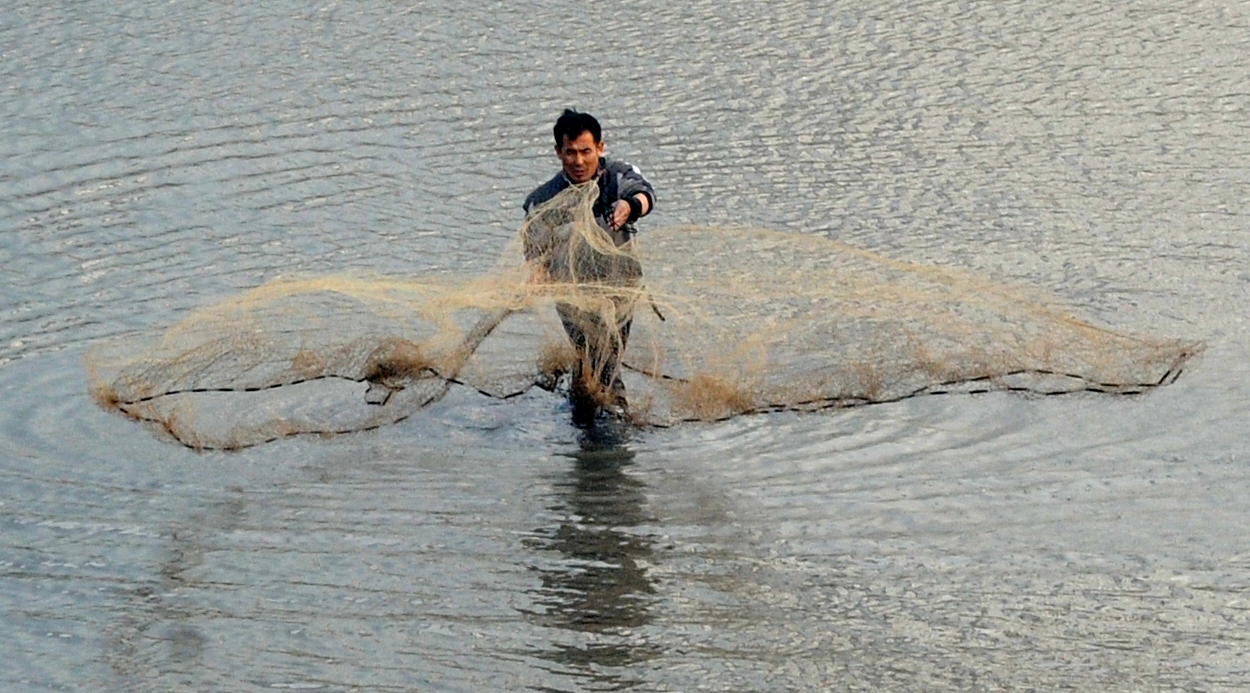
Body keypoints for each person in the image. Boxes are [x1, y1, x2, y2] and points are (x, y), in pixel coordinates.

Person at [523, 109, 655, 422]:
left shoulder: (618, 176)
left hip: (620, 285)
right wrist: (537, 273)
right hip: (571, 293)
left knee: (608, 353)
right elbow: (535, 250)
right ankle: (615, 418)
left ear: (600, 148)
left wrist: (628, 206)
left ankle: (583, 409)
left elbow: (645, 195)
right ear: (558, 153)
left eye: (586, 151)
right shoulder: (542, 199)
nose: (579, 161)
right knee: (598, 355)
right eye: (570, 152)